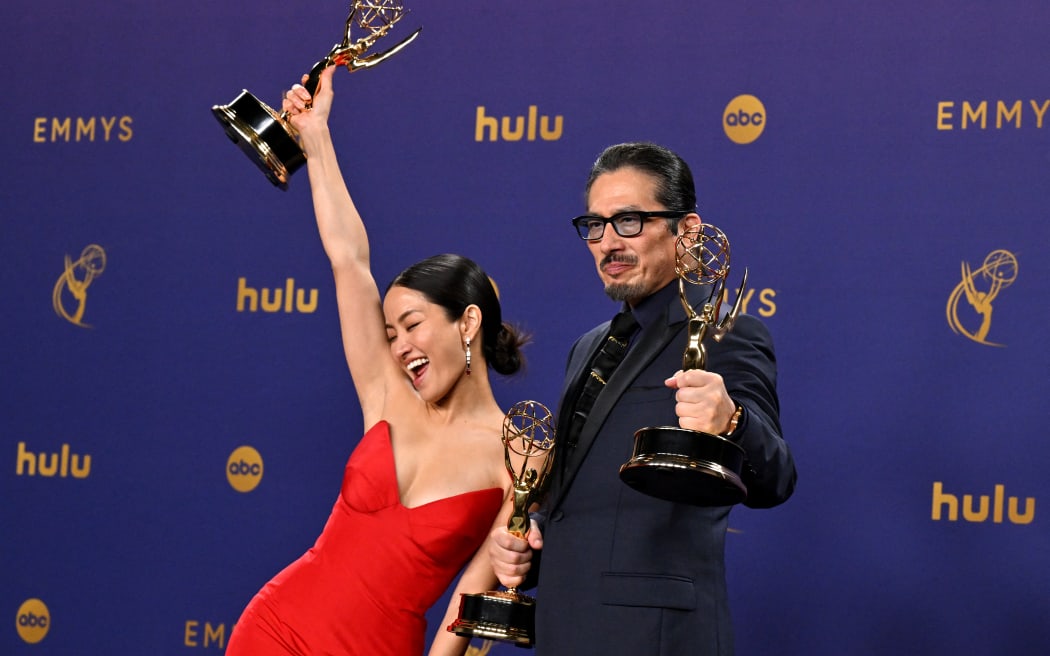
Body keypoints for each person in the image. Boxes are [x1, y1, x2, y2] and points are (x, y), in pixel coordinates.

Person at [226, 65, 529, 656]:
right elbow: (349, 259)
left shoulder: (520, 452)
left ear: (466, 322)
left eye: (412, 325)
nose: (398, 347)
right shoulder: (385, 393)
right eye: (389, 333)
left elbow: (469, 602)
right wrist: (316, 137)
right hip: (274, 629)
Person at [488, 142, 797, 655]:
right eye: (595, 225)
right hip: (566, 630)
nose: (609, 242)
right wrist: (531, 542)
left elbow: (777, 477)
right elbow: (582, 498)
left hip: (655, 639)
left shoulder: (727, 332)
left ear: (688, 230)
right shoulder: (588, 347)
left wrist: (731, 421)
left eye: (629, 221)